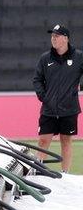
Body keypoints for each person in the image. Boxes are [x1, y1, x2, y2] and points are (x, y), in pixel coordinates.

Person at [33, 24, 83, 173]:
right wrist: (44, 97)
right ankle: (37, 172)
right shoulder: (45, 58)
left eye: (57, 36)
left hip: (69, 109)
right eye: (52, 36)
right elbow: (37, 80)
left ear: (65, 39)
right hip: (49, 109)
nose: (53, 39)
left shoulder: (79, 57)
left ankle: (65, 174)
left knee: (66, 141)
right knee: (43, 141)